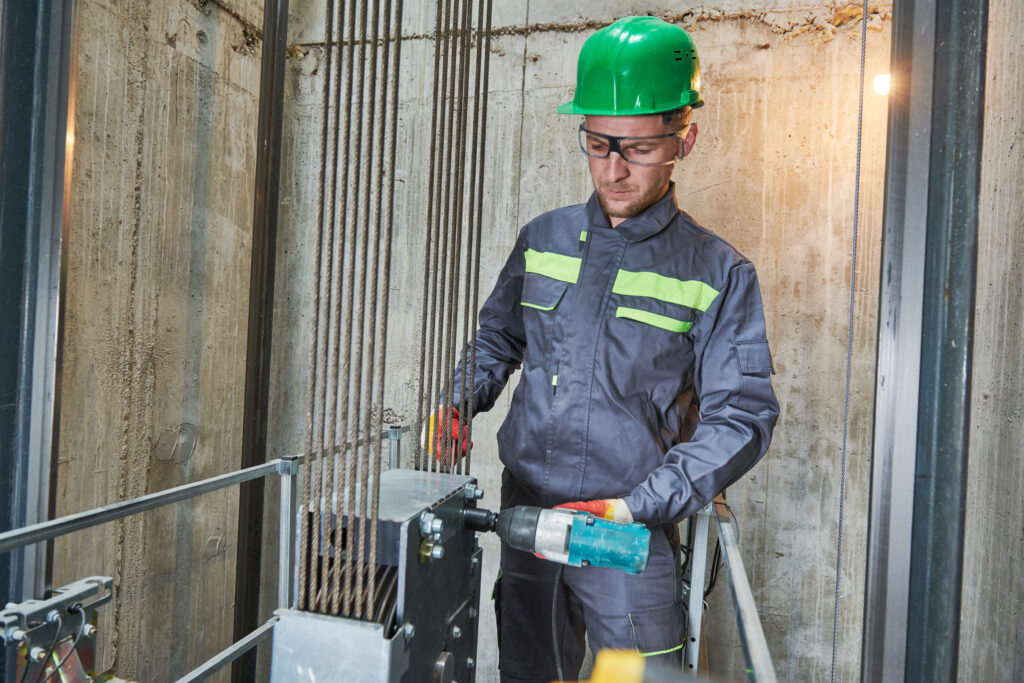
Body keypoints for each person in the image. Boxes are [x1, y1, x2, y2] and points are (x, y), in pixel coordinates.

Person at [431, 15, 779, 682]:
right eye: (598, 143)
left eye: (640, 148)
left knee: (632, 676)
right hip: (527, 509)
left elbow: (743, 417)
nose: (614, 169)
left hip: (626, 529)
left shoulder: (717, 272)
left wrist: (637, 506)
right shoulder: (544, 239)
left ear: (686, 139)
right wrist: (457, 400)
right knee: (531, 669)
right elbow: (499, 336)